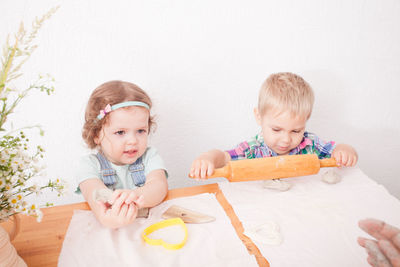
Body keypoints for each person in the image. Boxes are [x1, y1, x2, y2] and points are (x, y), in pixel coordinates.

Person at [189, 72, 358, 180]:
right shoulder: (253, 149)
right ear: (259, 117)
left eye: (296, 130)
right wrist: (208, 158)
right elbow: (224, 157)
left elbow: (336, 149)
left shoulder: (310, 144)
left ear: (306, 120)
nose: (286, 139)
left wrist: (345, 152)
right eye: (277, 130)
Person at [76, 80, 168, 229]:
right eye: (120, 132)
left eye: (140, 131)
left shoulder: (150, 156)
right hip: (112, 232)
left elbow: (159, 186)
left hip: (148, 227)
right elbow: (95, 193)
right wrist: (108, 217)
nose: (132, 141)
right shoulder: (89, 165)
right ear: (96, 134)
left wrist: (135, 196)